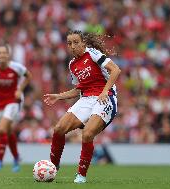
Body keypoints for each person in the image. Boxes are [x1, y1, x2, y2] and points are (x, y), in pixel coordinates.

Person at [44, 30, 121, 183]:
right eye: (69, 43)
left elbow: (116, 70)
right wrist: (59, 96)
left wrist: (105, 91)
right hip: (86, 99)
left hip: (105, 98)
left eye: (76, 42)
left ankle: (81, 175)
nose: (72, 46)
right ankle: (53, 167)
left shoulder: (92, 53)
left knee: (87, 134)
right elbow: (79, 89)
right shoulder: (72, 64)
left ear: (83, 43)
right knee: (59, 129)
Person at [0, 44, 31, 172]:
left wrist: (20, 89)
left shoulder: (16, 67)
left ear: (8, 55)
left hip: (14, 101)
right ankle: (16, 158)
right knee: (7, 132)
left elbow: (28, 76)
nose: (2, 55)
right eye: (0, 53)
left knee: (2, 129)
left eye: (4, 53)